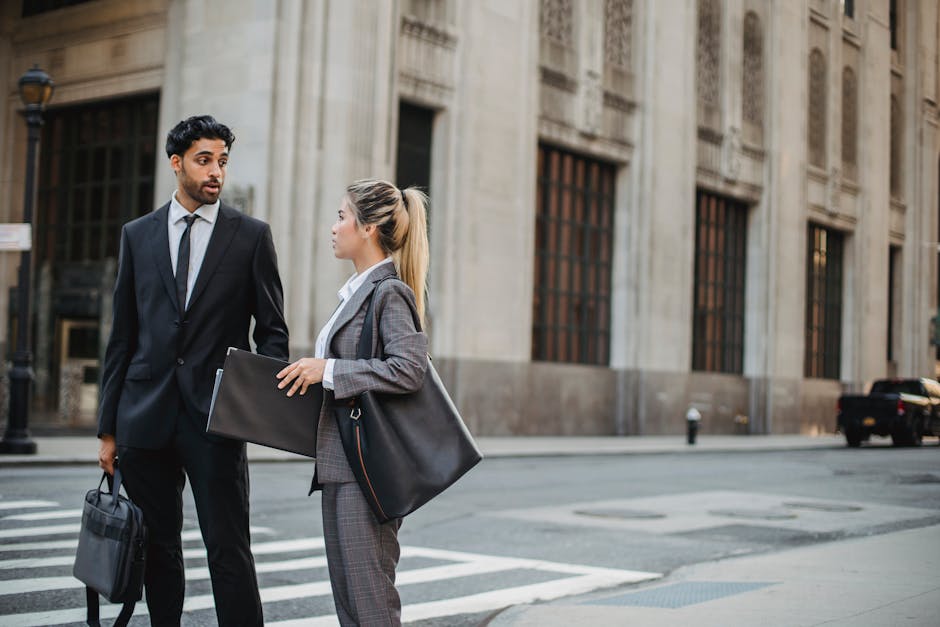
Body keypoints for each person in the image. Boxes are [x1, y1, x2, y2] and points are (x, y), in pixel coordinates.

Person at [97, 115, 289, 626]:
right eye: (205, 160)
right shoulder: (137, 236)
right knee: (158, 550)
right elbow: (123, 336)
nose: (216, 173)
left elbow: (272, 329)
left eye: (222, 162)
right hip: (145, 417)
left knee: (229, 550)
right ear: (176, 163)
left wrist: (257, 405)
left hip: (216, 421)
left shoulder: (250, 237)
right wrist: (108, 429)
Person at [276, 179, 429, 626]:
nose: (334, 226)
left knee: (370, 601)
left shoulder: (389, 292)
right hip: (340, 463)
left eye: (342, 216)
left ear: (368, 228)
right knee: (349, 602)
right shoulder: (356, 292)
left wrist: (330, 370)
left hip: (366, 469)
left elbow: (409, 368)